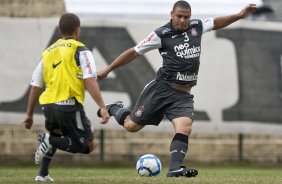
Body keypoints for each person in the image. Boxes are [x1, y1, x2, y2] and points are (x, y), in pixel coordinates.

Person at [97, 0, 257, 178]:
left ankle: (175, 168)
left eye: (186, 17)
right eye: (179, 16)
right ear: (171, 14)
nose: (182, 20)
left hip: (183, 95)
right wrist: (108, 69)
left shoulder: (196, 26)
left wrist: (239, 15)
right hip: (161, 90)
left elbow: (217, 23)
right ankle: (114, 108)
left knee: (185, 127)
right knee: (131, 126)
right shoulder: (161, 34)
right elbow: (134, 51)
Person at [22, 13, 110, 181]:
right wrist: (102, 107)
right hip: (69, 105)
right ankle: (48, 140)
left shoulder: (47, 53)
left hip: (48, 106)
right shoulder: (81, 50)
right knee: (87, 146)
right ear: (78, 30)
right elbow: (89, 80)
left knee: (56, 133)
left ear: (60, 30)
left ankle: (42, 174)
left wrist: (29, 114)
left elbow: (35, 85)